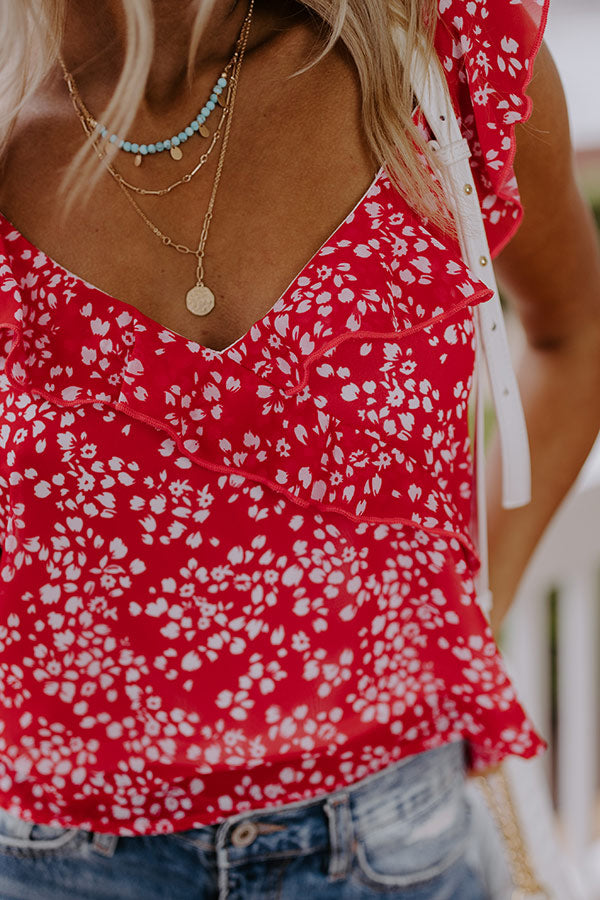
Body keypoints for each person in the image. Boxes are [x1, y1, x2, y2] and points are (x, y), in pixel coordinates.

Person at [0, 0, 598, 897]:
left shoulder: (440, 60)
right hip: (49, 858)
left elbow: (575, 332)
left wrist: (477, 599)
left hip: (395, 845)